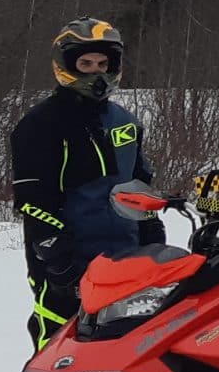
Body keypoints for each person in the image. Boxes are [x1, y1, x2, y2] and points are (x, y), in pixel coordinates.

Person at [10, 17, 161, 346]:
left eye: (104, 64)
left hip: (127, 259)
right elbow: (32, 201)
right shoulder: (39, 125)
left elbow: (140, 183)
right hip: (66, 264)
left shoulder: (126, 121)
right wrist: (57, 259)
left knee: (130, 352)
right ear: (66, 65)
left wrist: (152, 230)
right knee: (61, 352)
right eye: (86, 63)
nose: (97, 72)